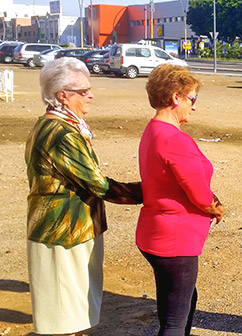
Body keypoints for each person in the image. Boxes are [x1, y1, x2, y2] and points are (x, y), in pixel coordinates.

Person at [25, 57, 142, 336]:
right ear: (62, 96)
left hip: (69, 230)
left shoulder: (57, 125)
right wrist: (150, 192)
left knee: (72, 312)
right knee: (64, 317)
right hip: (63, 233)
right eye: (83, 91)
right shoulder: (61, 133)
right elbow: (97, 184)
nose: (91, 95)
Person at [136, 64, 224, 336]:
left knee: (175, 303)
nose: (194, 107)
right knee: (175, 319)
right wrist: (217, 207)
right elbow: (199, 195)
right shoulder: (174, 139)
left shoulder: (153, 130)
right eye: (192, 99)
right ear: (176, 97)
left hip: (156, 234)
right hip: (175, 239)